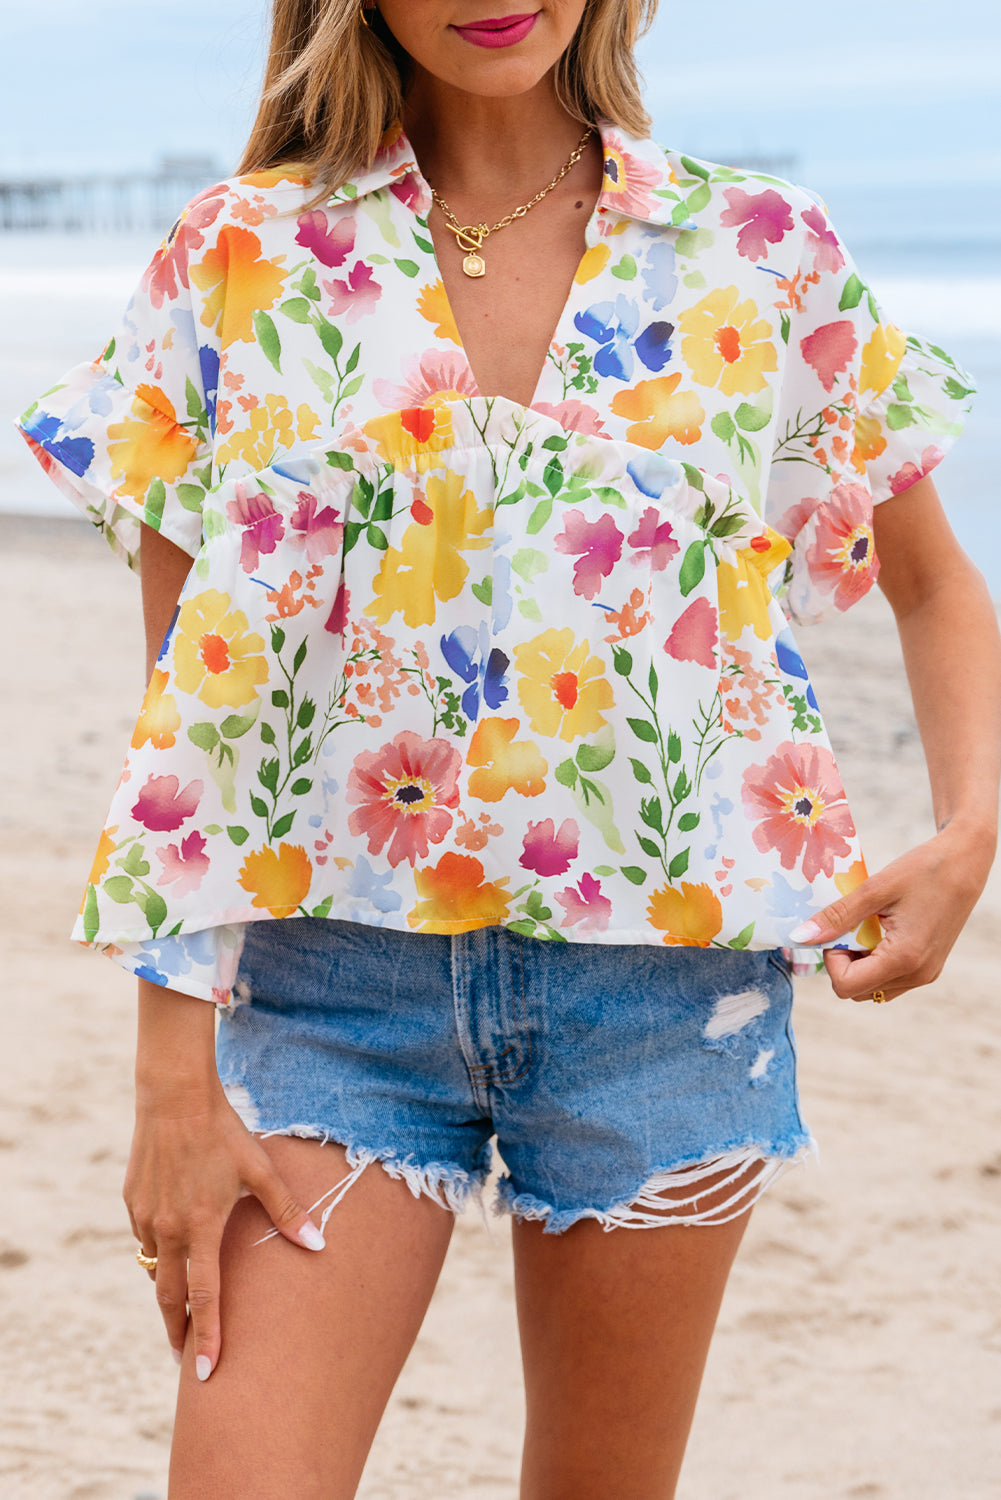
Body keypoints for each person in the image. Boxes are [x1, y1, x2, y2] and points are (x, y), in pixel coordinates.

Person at [17, 2, 1001, 1495]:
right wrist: (172, 1069)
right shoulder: (244, 253)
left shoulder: (756, 246)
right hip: (331, 990)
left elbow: (928, 582)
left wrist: (969, 827)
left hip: (669, 1005)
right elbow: (196, 698)